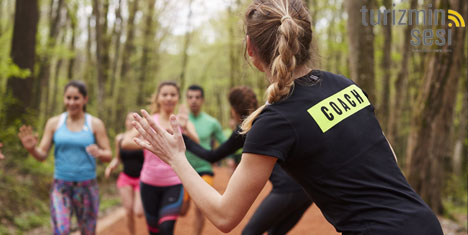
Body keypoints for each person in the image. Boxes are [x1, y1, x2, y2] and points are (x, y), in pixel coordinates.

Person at [130, 1, 443, 234]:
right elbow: (388, 154)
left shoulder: (275, 120)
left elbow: (225, 217)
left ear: (251, 50)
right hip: (424, 221)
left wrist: (176, 158)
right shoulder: (344, 84)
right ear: (305, 38)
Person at [182, 86, 313, 235]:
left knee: (249, 233)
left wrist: (184, 139)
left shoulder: (246, 128)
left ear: (234, 109)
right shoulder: (270, 118)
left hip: (285, 190)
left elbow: (212, 156)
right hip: (307, 191)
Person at [18, 80, 112, 235]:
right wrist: (32, 149)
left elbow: (108, 155)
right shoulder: (54, 123)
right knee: (61, 231)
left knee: (88, 231)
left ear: (85, 99)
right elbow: (42, 155)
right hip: (61, 187)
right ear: (64, 99)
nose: (72, 102)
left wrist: (100, 153)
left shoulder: (95, 124)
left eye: (76, 98)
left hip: (87, 186)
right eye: (68, 98)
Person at [121, 81, 199, 235]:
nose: (169, 98)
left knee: (166, 228)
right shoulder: (149, 120)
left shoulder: (181, 121)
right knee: (154, 230)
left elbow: (197, 144)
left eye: (173, 94)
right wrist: (153, 142)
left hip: (174, 182)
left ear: (177, 98)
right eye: (165, 94)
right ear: (158, 98)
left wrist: (185, 128)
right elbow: (125, 142)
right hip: (149, 183)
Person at [185, 85, 227, 235]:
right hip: (183, 169)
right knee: (182, 210)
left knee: (200, 208)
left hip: (205, 169)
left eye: (197, 97)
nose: (193, 100)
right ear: (186, 99)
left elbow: (225, 142)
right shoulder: (179, 120)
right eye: (190, 97)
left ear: (202, 100)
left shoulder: (212, 122)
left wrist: (231, 157)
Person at [105, 112, 144, 234]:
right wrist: (110, 167)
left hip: (141, 179)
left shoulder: (143, 138)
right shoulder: (120, 138)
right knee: (128, 211)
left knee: (139, 212)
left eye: (134, 120)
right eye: (128, 119)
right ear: (125, 122)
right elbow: (118, 158)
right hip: (125, 178)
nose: (131, 122)